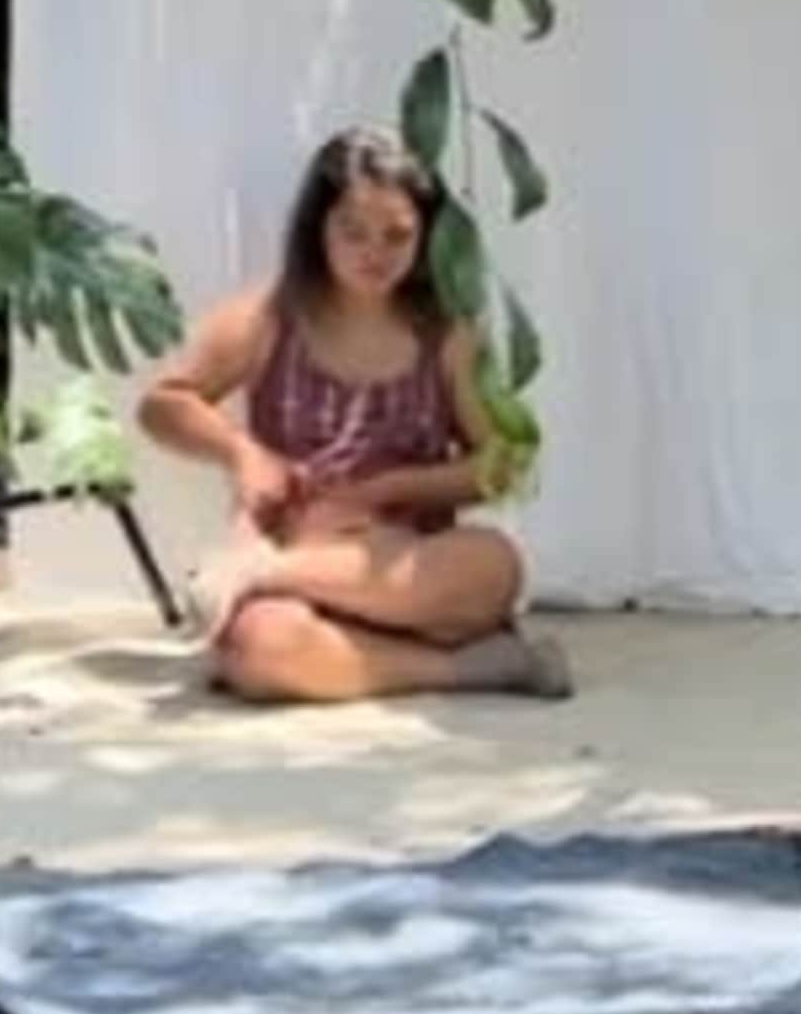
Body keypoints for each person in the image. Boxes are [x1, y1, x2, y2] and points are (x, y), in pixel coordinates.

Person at [136, 128, 549, 705]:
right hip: (299, 555)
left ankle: (257, 579)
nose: (374, 253)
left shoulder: (449, 335)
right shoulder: (270, 315)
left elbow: (502, 464)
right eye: (353, 233)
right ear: (318, 230)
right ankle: (471, 668)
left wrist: (391, 489)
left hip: (407, 569)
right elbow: (161, 405)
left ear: (427, 236)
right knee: (258, 648)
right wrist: (243, 453)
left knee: (495, 567)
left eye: (397, 235)